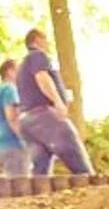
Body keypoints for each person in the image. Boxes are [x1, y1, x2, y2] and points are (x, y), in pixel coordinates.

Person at [13, 27, 94, 178]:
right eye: (46, 40)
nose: (48, 44)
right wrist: (58, 102)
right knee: (72, 147)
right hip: (43, 115)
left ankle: (37, 198)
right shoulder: (38, 55)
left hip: (27, 121)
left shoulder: (21, 67)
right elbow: (42, 77)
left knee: (40, 168)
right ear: (38, 40)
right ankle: (93, 184)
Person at [0, 60, 29, 178]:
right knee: (21, 189)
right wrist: (26, 140)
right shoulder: (10, 89)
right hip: (11, 145)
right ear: (10, 72)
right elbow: (13, 118)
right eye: (19, 69)